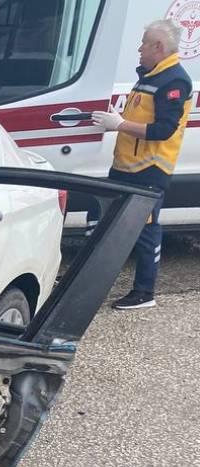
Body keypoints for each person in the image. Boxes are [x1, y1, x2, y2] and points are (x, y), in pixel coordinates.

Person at [92, 19, 192, 310]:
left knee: (145, 231)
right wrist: (117, 122)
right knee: (105, 221)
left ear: (158, 47)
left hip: (149, 169)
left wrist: (120, 124)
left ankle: (145, 292)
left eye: (144, 43)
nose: (139, 49)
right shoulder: (151, 75)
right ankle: (92, 279)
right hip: (127, 165)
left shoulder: (174, 80)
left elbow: (163, 130)